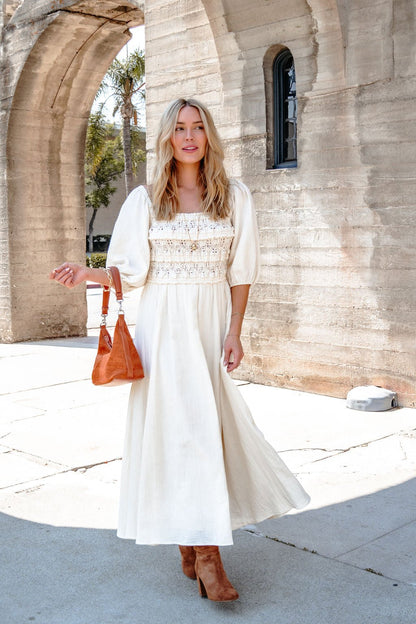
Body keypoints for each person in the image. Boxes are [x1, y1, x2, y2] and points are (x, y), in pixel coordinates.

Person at [50, 97, 310, 602]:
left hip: (210, 327)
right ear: (167, 138)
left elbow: (241, 273)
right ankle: (208, 555)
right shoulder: (146, 200)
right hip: (163, 329)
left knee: (204, 433)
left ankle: (192, 546)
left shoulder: (234, 197)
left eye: (197, 128)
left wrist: (235, 331)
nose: (189, 137)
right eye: (179, 129)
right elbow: (131, 272)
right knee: (184, 435)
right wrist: (88, 274)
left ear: (208, 136)